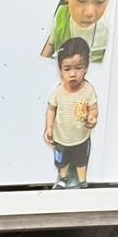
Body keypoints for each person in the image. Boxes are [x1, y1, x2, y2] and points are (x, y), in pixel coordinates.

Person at [45, 37, 98, 188]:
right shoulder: (58, 92)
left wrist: (92, 117)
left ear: (86, 67)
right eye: (67, 69)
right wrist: (49, 128)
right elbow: (51, 109)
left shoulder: (88, 90)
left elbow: (93, 108)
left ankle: (82, 181)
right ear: (60, 70)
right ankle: (63, 178)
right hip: (61, 138)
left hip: (81, 138)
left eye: (78, 68)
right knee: (62, 162)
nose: (73, 74)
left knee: (82, 161)